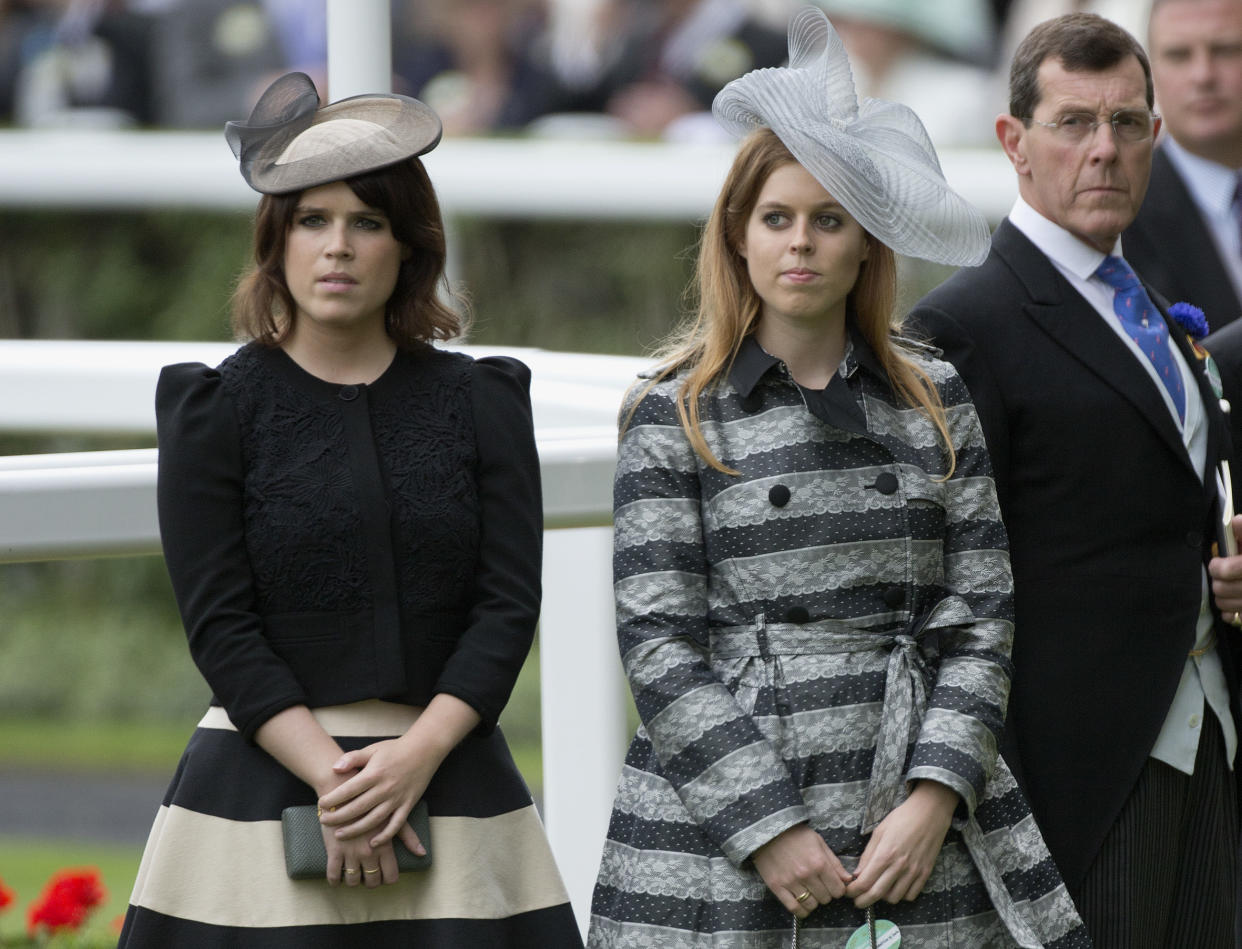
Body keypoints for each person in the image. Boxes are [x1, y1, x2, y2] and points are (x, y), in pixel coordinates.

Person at [589, 8, 1089, 947]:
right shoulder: (675, 412)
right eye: (776, 219)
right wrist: (769, 827)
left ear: (867, 242)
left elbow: (982, 615)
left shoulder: (932, 398)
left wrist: (936, 791)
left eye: (829, 221)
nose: (802, 243)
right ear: (738, 235)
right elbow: (658, 642)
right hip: (730, 825)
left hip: (910, 809)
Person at [117, 72, 583, 947]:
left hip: (451, 780)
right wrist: (340, 784)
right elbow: (220, 624)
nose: (338, 246)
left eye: (367, 222)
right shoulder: (213, 408)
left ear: (408, 247)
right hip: (258, 795)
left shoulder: (480, 400)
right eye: (312, 220)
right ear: (277, 241)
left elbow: (507, 604)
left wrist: (413, 759)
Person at [909, 13, 1241, 949]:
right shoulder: (966, 321)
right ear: (1014, 141)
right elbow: (949, 580)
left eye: (1128, 124)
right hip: (1076, 782)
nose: (1106, 150)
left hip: (1212, 743)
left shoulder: (1161, 314)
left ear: (1156, 136)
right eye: (1075, 123)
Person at [1124, 0, 1242, 333]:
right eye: (1179, 55)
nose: (1203, 75)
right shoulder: (1120, 222)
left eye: (1226, 50)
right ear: (1149, 73)